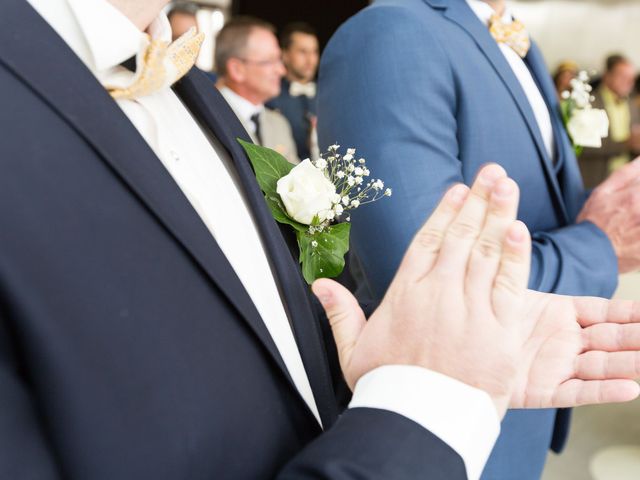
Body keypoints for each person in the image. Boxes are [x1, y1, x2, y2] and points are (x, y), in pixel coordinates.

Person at [3, 1, 640, 479]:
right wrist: (428, 401)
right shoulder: (392, 33)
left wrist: (414, 375)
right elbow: (413, 263)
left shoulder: (184, 83)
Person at [317, 0, 640, 478]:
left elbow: (537, 200)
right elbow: (431, 282)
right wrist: (600, 242)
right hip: (437, 423)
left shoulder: (513, 38)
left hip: (522, 388)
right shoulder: (393, 31)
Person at [215, 17, 300, 164]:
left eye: (279, 60)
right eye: (270, 61)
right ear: (237, 69)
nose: (281, 70)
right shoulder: (211, 117)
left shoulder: (279, 124)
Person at [579, 54, 640, 188]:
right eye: (623, 76)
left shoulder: (631, 104)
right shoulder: (588, 102)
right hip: (595, 181)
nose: (629, 82)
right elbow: (583, 146)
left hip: (625, 183)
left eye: (631, 78)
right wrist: (626, 143)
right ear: (607, 75)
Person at [267, 22, 320, 161]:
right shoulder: (270, 96)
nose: (310, 60)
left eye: (314, 52)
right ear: (285, 55)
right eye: (302, 52)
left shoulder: (330, 95)